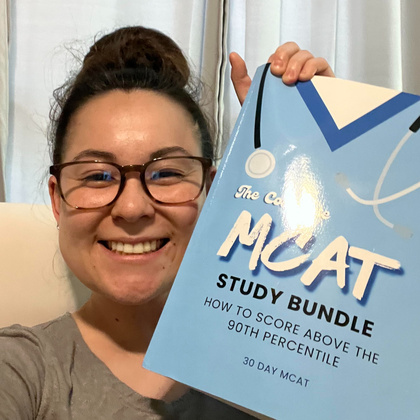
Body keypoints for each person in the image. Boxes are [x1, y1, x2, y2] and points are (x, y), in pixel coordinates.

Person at [0, 26, 333, 419]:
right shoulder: (22, 368)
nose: (132, 207)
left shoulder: (291, 358)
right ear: (58, 200)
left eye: (167, 173)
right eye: (98, 176)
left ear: (211, 192)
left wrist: (316, 180)